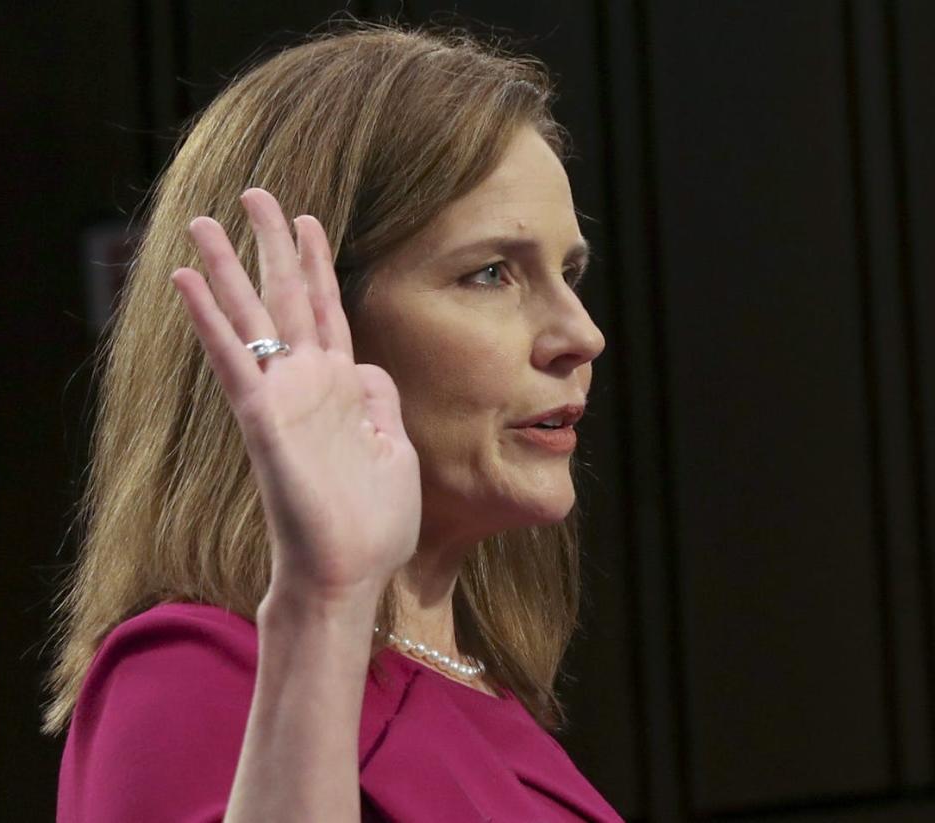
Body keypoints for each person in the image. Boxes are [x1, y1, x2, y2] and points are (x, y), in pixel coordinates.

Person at [45, 20, 621, 822]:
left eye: (569, 273)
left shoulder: (490, 697)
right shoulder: (193, 675)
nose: (581, 335)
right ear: (315, 324)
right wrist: (326, 602)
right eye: (491, 273)